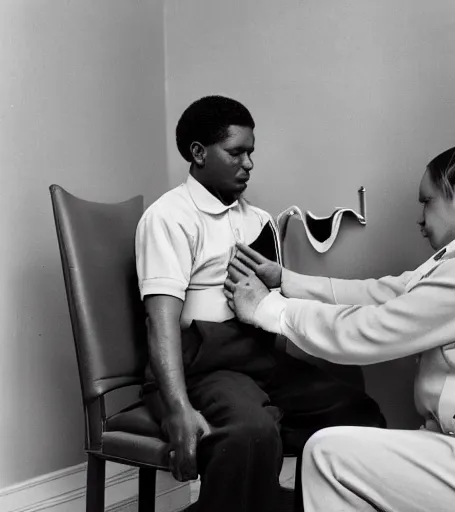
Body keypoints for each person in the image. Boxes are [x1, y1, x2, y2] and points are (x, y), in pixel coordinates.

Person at [225, 140, 455, 512]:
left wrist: (269, 309)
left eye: (426, 201)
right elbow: (391, 293)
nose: (421, 219)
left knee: (326, 455)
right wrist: (286, 279)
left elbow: (377, 327)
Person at [135, 95, 384, 512]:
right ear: (198, 153)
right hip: (203, 369)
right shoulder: (169, 217)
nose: (249, 163)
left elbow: (274, 306)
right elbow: (159, 323)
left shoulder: (260, 220)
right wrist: (177, 408)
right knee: (251, 431)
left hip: (260, 361)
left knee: (357, 411)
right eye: (236, 152)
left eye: (251, 152)